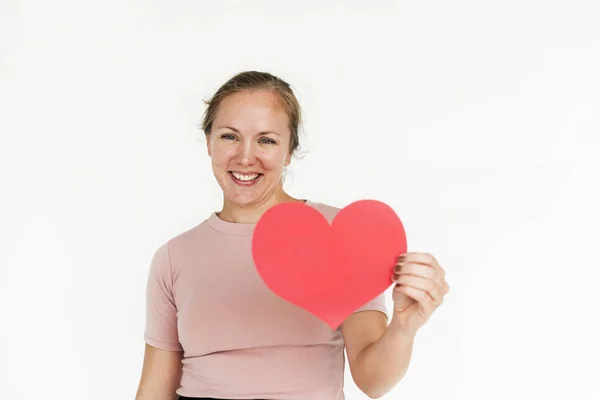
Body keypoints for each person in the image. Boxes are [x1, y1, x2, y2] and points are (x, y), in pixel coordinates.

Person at [135, 71, 450, 400]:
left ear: (288, 152)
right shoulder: (174, 257)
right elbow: (155, 390)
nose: (245, 156)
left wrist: (404, 326)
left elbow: (373, 381)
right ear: (209, 143)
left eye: (266, 140)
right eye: (229, 136)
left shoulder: (340, 235)